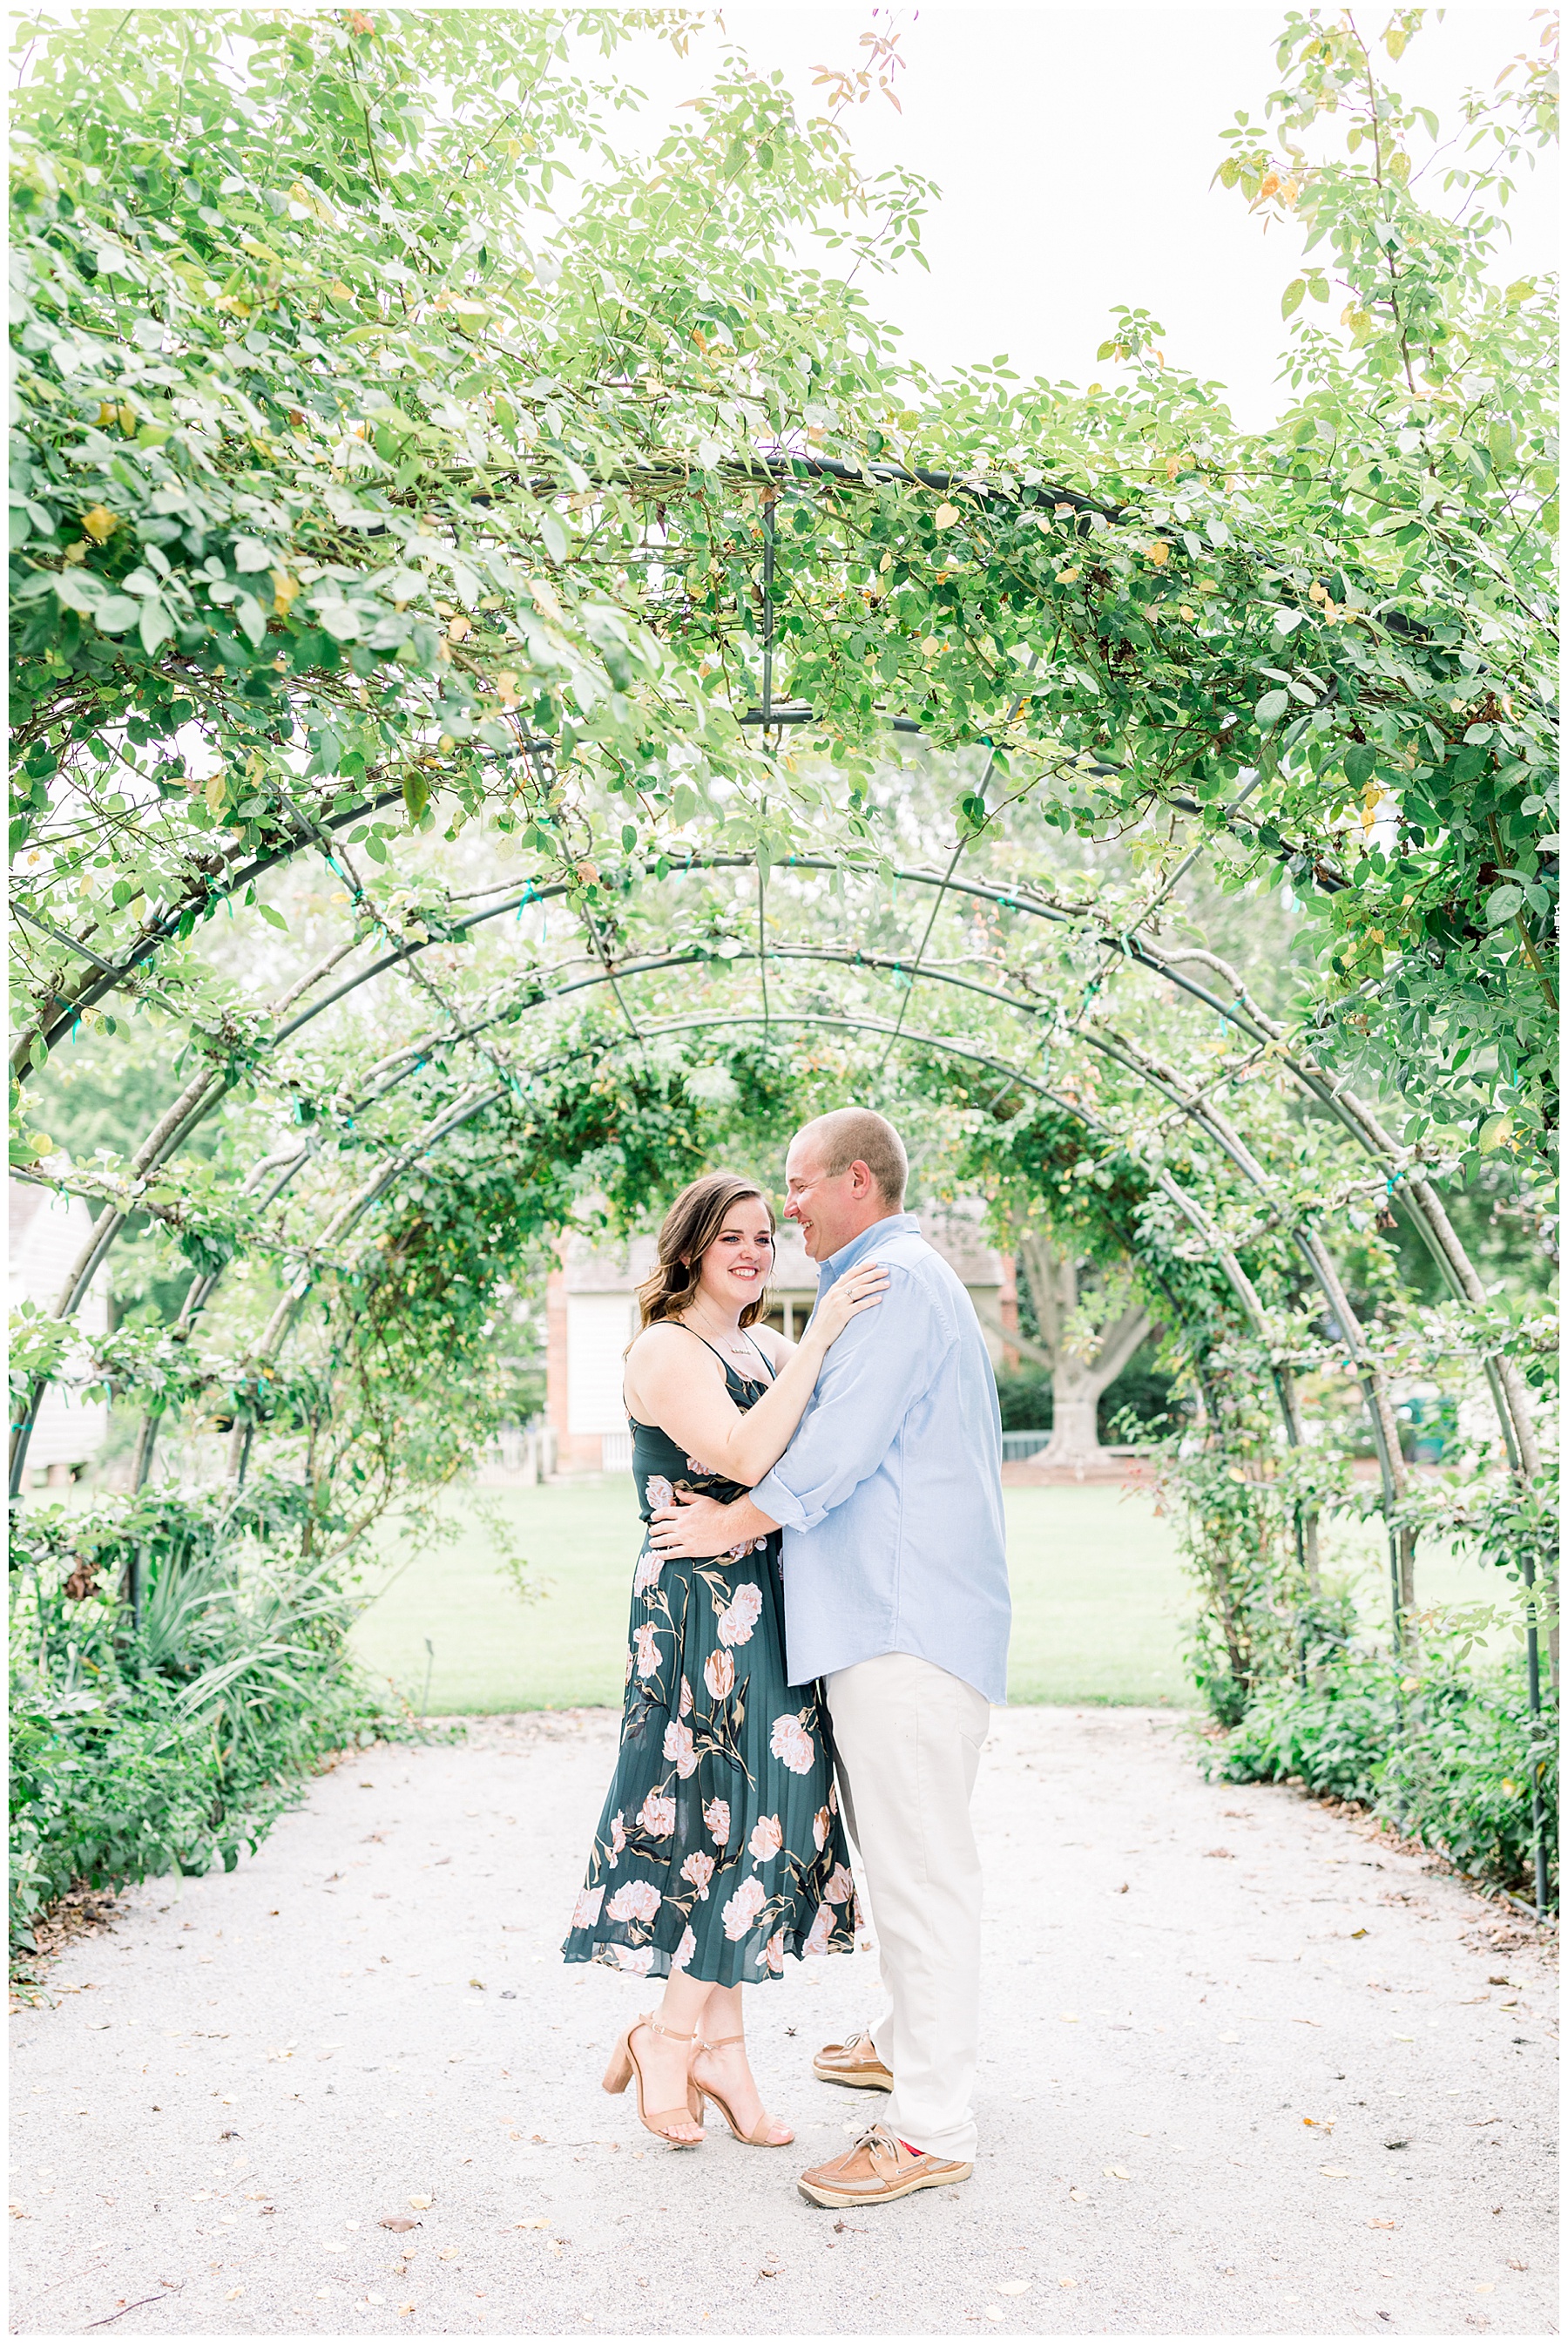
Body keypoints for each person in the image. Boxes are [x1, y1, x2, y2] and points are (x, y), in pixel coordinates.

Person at [649, 1108, 1010, 2208]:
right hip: (891, 1620)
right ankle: (903, 2042)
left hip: (900, 1625)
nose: (787, 1205)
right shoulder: (894, 1275)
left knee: (921, 1875)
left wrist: (738, 1520)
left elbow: (838, 1449)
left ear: (859, 1179)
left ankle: (930, 2128)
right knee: (915, 1858)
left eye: (800, 1186)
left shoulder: (895, 1281)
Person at [562, 1169, 888, 2150]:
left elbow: (824, 1440)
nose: (752, 1252)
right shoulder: (666, 1346)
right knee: (742, 1807)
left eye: (763, 1237)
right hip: (698, 1606)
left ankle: (721, 2052)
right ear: (693, 1246)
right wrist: (824, 1332)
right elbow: (749, 1454)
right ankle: (670, 2037)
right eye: (732, 1238)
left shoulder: (765, 1343)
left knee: (753, 1812)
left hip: (767, 1594)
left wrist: (821, 1345)